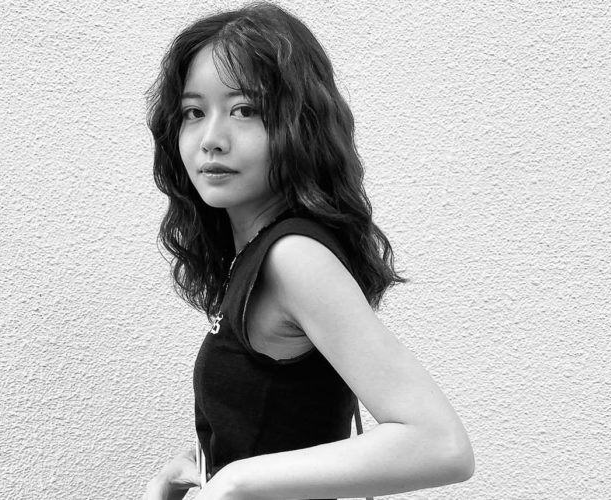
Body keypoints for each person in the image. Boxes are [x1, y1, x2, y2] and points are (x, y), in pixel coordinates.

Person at [143, 3, 474, 499]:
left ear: (300, 125)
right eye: (194, 112)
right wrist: (186, 477)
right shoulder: (254, 255)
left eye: (244, 110)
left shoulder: (292, 256)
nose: (211, 139)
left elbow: (441, 446)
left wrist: (233, 481)